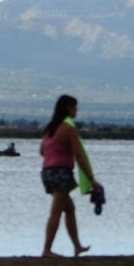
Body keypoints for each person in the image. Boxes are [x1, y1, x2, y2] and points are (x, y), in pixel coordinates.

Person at [39, 94, 100, 257]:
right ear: (68, 108)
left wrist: (56, 151)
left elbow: (41, 151)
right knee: (56, 212)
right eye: (75, 107)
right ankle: (47, 250)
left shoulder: (50, 128)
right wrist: (91, 179)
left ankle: (77, 246)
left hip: (47, 173)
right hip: (61, 173)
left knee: (69, 209)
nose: (77, 111)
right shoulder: (69, 128)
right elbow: (79, 155)